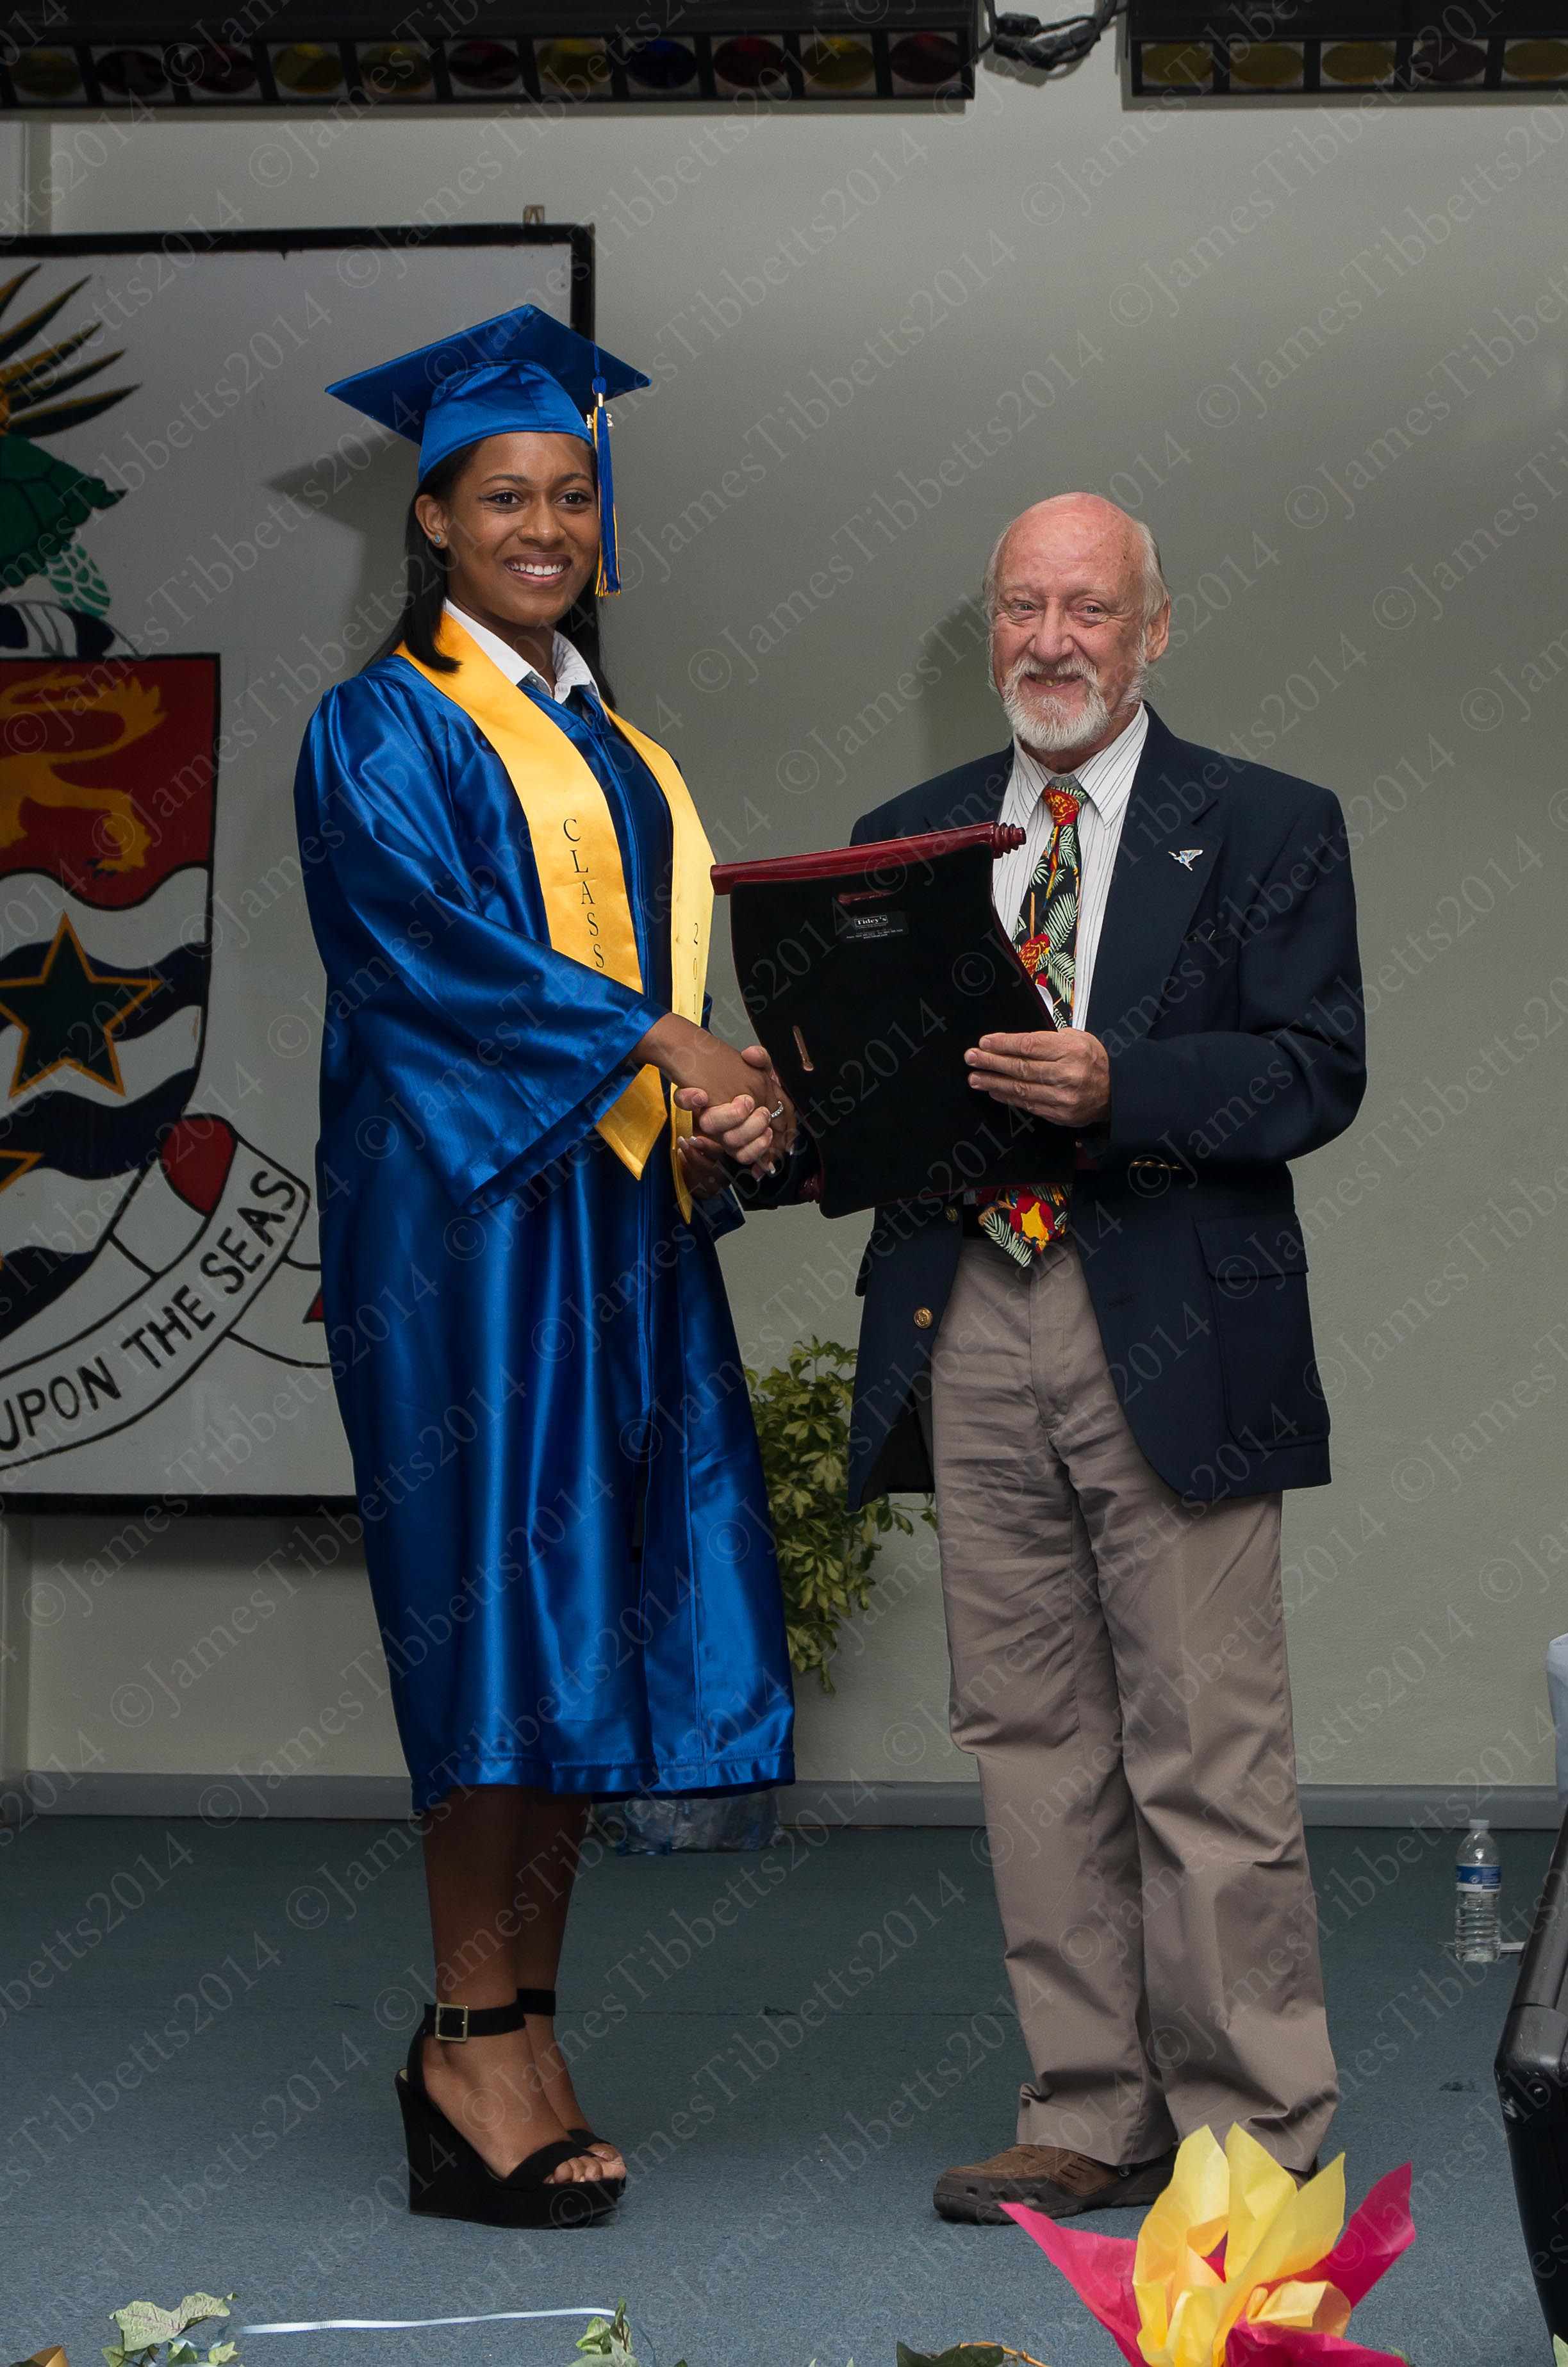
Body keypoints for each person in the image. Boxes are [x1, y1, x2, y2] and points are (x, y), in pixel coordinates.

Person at [690, 491, 1366, 2223]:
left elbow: (1316, 1070)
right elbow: (870, 1112)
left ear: (1153, 629)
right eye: (1020, 607)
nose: (1051, 641)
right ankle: (1088, 2108)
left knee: (1206, 1742)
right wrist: (778, 1132)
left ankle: (1252, 2138)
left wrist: (1123, 1084)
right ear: (987, 626)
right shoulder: (900, 840)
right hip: (966, 1310)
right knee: (1030, 1734)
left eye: (1089, 608)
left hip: (1174, 1319)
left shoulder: (1270, 825)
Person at [292, 305, 795, 2230]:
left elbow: (661, 985)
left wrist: (723, 1112)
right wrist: (664, 1049)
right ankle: (463, 2032)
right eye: (503, 496)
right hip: (466, 1230)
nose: (544, 526)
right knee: (489, 1618)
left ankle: (524, 2026)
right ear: (431, 519)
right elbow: (419, 957)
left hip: (615, 1224)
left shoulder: (623, 747)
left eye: (572, 495)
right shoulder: (381, 727)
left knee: (584, 1624)